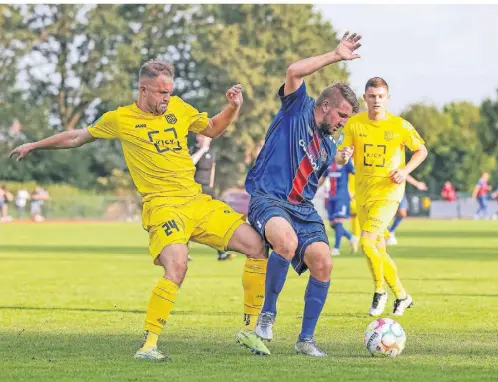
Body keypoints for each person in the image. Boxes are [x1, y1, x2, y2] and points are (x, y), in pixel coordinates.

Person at [10, 59, 270, 360]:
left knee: (256, 245)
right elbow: (76, 137)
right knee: (178, 266)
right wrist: (34, 145)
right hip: (162, 205)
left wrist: (233, 108)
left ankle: (249, 330)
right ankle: (149, 344)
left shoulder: (179, 109)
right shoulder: (121, 119)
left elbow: (211, 128)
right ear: (143, 90)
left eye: (169, 92)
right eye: (161, 93)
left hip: (196, 201)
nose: (166, 99)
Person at [245, 31, 361, 357]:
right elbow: (294, 70)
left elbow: (314, 185)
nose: (343, 123)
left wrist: (336, 161)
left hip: (302, 208)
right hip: (267, 197)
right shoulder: (298, 107)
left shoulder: (326, 147)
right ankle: (267, 314)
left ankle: (305, 340)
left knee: (324, 262)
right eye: (341, 115)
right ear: (325, 106)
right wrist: (336, 55)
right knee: (286, 242)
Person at [338, 76, 428, 317]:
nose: (376, 100)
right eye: (371, 96)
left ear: (387, 98)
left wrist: (405, 170)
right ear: (364, 97)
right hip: (363, 193)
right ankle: (402, 295)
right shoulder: (354, 124)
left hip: (388, 194)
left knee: (366, 242)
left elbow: (421, 150)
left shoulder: (400, 125)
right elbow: (340, 156)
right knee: (377, 249)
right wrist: (344, 155)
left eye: (380, 96)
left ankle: (380, 291)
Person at [191, 133, 236, 261]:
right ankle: (184, 253)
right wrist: (202, 151)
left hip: (208, 190)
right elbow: (190, 163)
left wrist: (211, 187)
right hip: (195, 190)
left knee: (216, 220)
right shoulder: (193, 150)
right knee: (190, 222)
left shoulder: (212, 152)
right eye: (203, 136)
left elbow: (212, 170)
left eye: (208, 137)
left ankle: (221, 253)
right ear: (198, 137)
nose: (206, 139)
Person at [322, 160, 358, 256]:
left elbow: (357, 175)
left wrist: (354, 191)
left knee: (338, 221)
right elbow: (322, 178)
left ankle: (336, 248)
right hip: (331, 197)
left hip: (342, 197)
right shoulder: (329, 160)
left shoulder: (346, 161)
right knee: (333, 224)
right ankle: (351, 237)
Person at [386, 175, 428, 246]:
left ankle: (390, 231)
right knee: (384, 214)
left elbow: (404, 173)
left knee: (402, 213)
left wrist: (416, 183)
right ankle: (385, 232)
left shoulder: (399, 164)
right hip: (384, 190)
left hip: (399, 190)